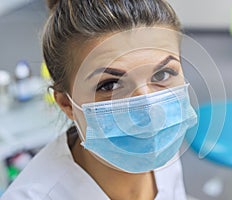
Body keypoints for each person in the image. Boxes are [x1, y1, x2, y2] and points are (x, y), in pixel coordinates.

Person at [1, 0, 197, 199]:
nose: (150, 109)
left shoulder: (162, 143)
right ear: (66, 104)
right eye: (110, 85)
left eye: (162, 74)